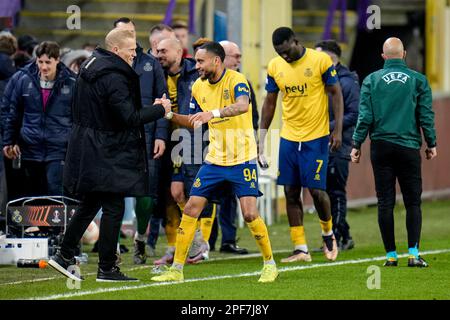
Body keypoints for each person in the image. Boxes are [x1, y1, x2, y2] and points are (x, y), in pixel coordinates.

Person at [47, 29, 171, 282]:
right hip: (105, 148)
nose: (135, 54)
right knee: (113, 205)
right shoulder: (114, 76)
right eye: (131, 49)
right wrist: (160, 110)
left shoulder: (91, 65)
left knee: (91, 202)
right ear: (116, 50)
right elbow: (129, 117)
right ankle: (106, 268)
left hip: (88, 144)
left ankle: (64, 254)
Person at [151, 42, 278, 283]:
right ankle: (176, 270)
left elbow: (242, 106)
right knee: (190, 209)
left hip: (242, 159)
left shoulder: (236, 80)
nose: (196, 66)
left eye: (200, 61)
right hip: (214, 160)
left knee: (250, 214)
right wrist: (166, 114)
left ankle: (270, 264)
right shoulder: (198, 86)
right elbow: (192, 120)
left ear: (216, 61)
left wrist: (214, 113)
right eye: (196, 61)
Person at [259, 27, 343, 263]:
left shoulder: (320, 60)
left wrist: (336, 130)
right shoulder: (275, 66)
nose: (284, 56)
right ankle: (300, 248)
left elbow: (336, 94)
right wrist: (262, 137)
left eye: (286, 51)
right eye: (279, 53)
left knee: (316, 191)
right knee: (290, 191)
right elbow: (269, 103)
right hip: (289, 137)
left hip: (316, 136)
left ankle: (328, 234)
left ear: (295, 41)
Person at [351, 37, 437, 268]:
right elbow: (425, 115)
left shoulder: (371, 80)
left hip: (381, 147)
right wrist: (431, 143)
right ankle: (413, 254)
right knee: (412, 202)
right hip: (408, 147)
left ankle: (390, 256)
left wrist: (356, 144)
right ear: (404, 54)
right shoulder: (418, 80)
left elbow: (365, 116)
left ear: (383, 56)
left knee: (384, 202)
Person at [153, 38, 214, 265]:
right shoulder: (155, 73)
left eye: (163, 50)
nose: (159, 54)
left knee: (194, 191)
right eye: (156, 50)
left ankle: (200, 243)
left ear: (179, 52)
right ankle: (180, 245)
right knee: (171, 195)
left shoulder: (194, 73)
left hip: (193, 139)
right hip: (165, 140)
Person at [114, 17, 169, 264]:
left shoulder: (151, 64)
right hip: (115, 138)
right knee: (111, 192)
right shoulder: (109, 64)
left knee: (145, 196)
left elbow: (163, 101)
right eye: (123, 32)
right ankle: (111, 246)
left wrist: (160, 135)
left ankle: (140, 239)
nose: (128, 36)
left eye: (131, 32)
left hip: (146, 137)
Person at [2, 41, 76, 199]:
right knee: (33, 196)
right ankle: (36, 225)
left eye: (48, 62)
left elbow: (79, 118)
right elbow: (14, 113)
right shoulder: (24, 80)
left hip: (59, 149)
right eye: (40, 62)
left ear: (57, 60)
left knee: (55, 192)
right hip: (30, 148)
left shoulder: (72, 83)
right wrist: (10, 141)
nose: (44, 67)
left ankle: (55, 225)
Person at [315, 39, 360, 251]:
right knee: (322, 191)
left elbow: (354, 113)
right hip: (318, 143)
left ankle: (341, 238)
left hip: (338, 145)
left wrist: (328, 126)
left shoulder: (346, 82)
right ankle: (335, 236)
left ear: (331, 57)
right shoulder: (320, 79)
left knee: (335, 192)